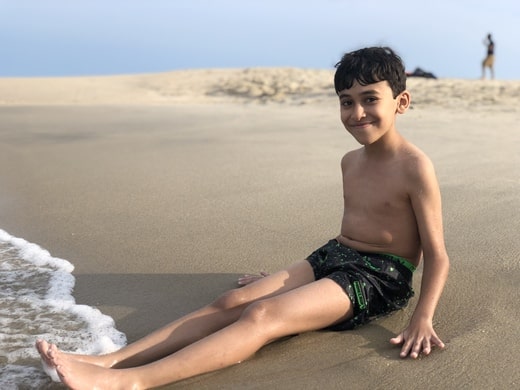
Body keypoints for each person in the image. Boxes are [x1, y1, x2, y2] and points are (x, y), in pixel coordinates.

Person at [36, 46, 450, 389]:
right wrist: (286, 280)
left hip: (379, 278)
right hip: (334, 256)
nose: (357, 113)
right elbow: (355, 231)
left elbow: (437, 255)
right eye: (346, 102)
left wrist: (422, 319)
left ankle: (132, 381)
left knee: (261, 315)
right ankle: (111, 361)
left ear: (401, 102)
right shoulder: (349, 161)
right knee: (232, 301)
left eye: (370, 99)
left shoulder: (414, 167)